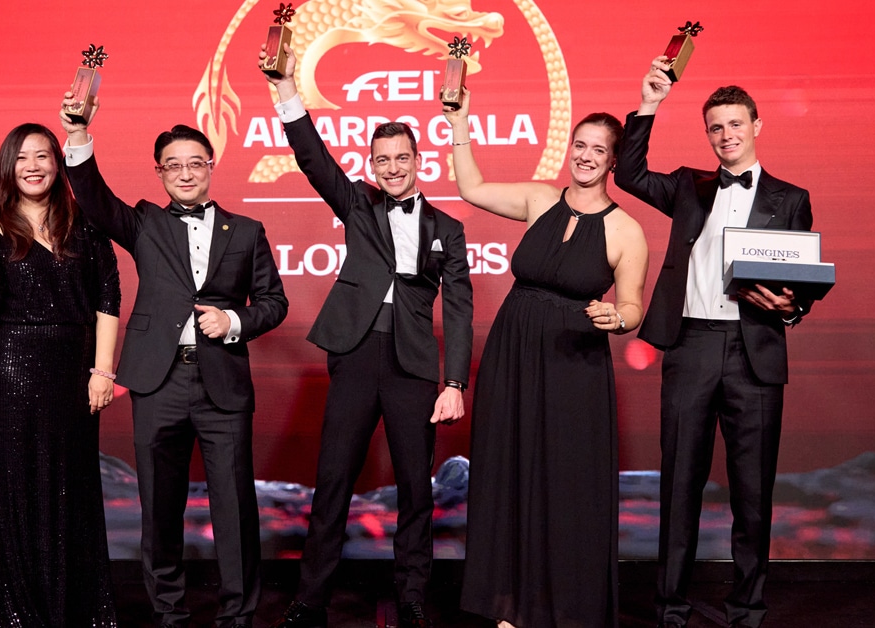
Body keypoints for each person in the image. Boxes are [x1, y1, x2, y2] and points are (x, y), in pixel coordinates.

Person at [260, 44, 472, 628]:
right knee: (332, 482)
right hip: (355, 355)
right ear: (373, 165)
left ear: (418, 159)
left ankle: (410, 597)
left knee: (415, 491)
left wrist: (453, 381)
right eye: (383, 160)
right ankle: (310, 600)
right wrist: (285, 89)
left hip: (412, 367)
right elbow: (312, 156)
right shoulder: (357, 204)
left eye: (402, 158)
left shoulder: (447, 230)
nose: (393, 168)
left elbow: (459, 308)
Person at [59, 96, 289, 628]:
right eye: (174, 165)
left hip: (223, 386)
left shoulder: (248, 231)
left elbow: (274, 303)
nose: (185, 173)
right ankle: (170, 614)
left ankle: (238, 616)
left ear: (212, 166)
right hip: (157, 381)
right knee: (159, 507)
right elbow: (93, 198)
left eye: (195, 163)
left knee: (234, 508)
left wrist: (233, 323)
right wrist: (78, 132)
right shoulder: (143, 222)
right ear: (160, 172)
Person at [613, 57, 815, 628]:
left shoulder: (791, 197)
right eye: (716, 128)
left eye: (735, 124)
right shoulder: (687, 186)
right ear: (708, 134)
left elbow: (804, 277)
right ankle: (671, 610)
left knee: (753, 494)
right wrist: (649, 102)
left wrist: (793, 308)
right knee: (680, 486)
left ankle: (747, 610)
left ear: (756, 125)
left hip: (755, 354)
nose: (726, 136)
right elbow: (627, 174)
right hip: (692, 345)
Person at [444, 90, 649, 627]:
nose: (584, 155)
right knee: (508, 472)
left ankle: (561, 608)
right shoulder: (539, 200)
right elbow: (471, 188)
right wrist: (461, 120)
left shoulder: (626, 230)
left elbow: (632, 305)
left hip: (572, 367)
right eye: (579, 144)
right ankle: (507, 605)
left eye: (597, 150)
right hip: (513, 353)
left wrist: (618, 319)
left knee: (565, 483)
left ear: (612, 160)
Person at [0, 122, 121, 627]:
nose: (33, 166)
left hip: (75, 364)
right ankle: (24, 613)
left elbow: (108, 295)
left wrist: (103, 371)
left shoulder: (84, 223)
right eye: (22, 157)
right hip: (15, 364)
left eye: (43, 155)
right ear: (8, 166)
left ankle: (80, 609)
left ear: (58, 163)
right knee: (21, 484)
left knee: (75, 482)